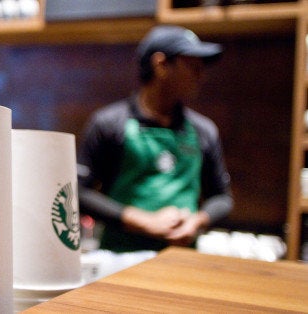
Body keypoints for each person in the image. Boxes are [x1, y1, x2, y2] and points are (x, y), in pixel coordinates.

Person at [78, 25, 233, 272]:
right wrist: (143, 221)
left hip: (183, 260)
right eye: (192, 66)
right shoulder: (109, 124)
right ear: (161, 65)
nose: (201, 75)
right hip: (119, 260)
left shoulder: (204, 131)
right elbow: (78, 193)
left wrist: (196, 221)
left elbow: (222, 198)